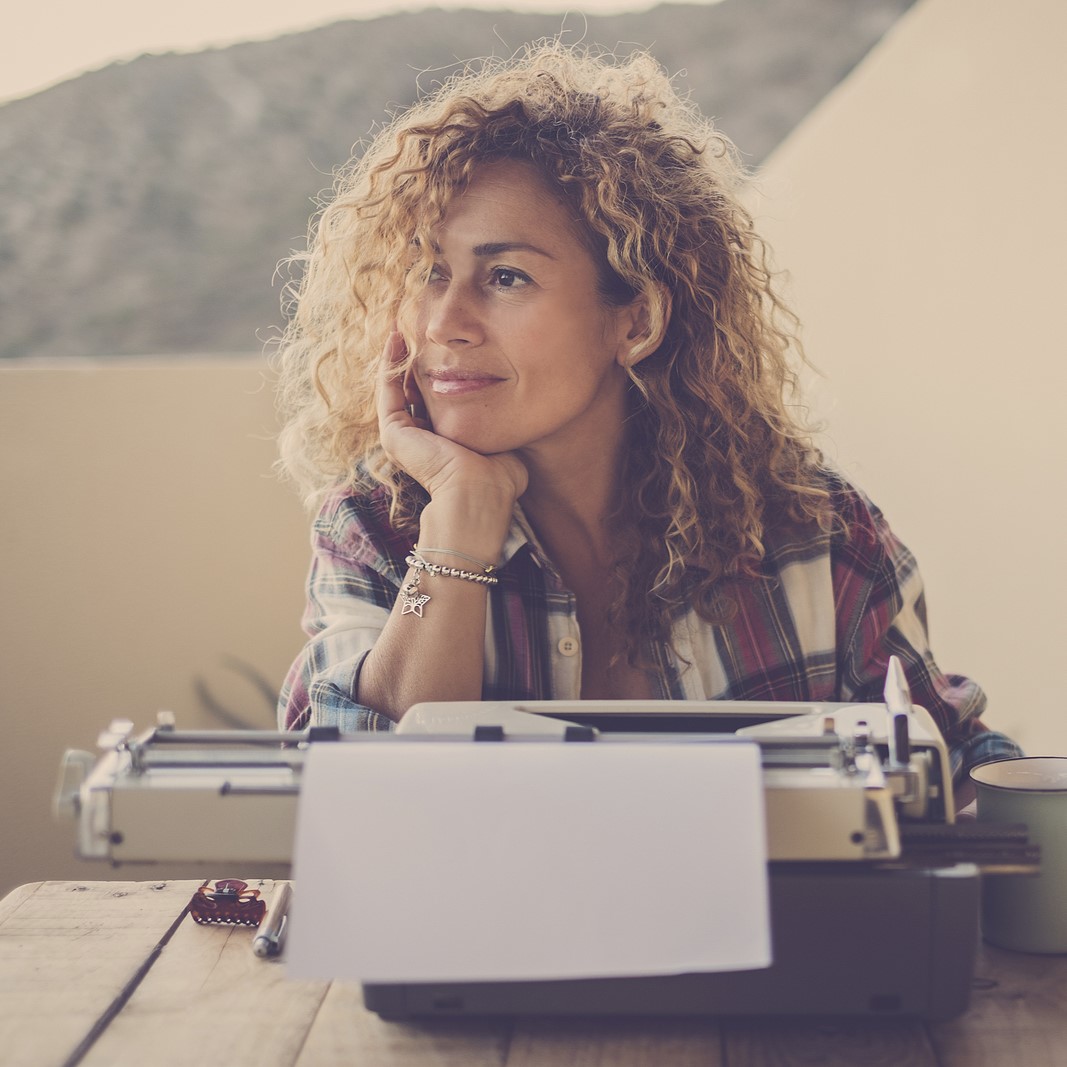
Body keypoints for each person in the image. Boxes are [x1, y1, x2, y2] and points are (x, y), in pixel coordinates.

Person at [273, 43, 1019, 793]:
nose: (443, 322)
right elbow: (353, 804)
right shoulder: (375, 527)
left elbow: (953, 770)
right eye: (429, 270)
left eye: (505, 277)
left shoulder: (816, 535)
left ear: (635, 320)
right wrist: (460, 518)